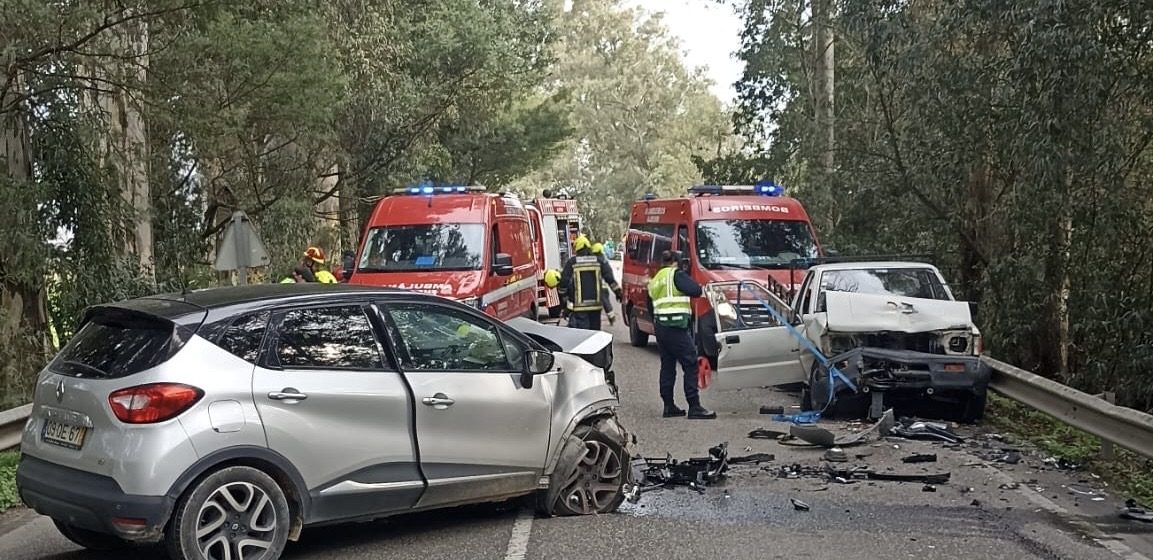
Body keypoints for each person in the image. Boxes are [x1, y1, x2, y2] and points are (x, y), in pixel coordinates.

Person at [647, 249, 716, 419]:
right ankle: (694, 406)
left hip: (661, 327)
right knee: (690, 363)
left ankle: (669, 406)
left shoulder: (656, 279)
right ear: (676, 262)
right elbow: (694, 290)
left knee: (668, 366)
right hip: (676, 326)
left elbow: (650, 305)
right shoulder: (676, 274)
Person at [559, 235, 621, 330]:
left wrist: (563, 299)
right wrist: (618, 292)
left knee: (584, 334)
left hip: (580, 307)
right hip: (595, 306)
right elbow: (610, 279)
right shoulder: (599, 261)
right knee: (594, 333)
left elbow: (564, 282)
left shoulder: (572, 262)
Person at [590, 242, 617, 326]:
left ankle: (610, 317)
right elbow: (609, 276)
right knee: (606, 303)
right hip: (603, 286)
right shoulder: (603, 260)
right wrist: (617, 290)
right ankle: (611, 317)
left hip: (594, 288)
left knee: (600, 304)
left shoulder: (590, 260)